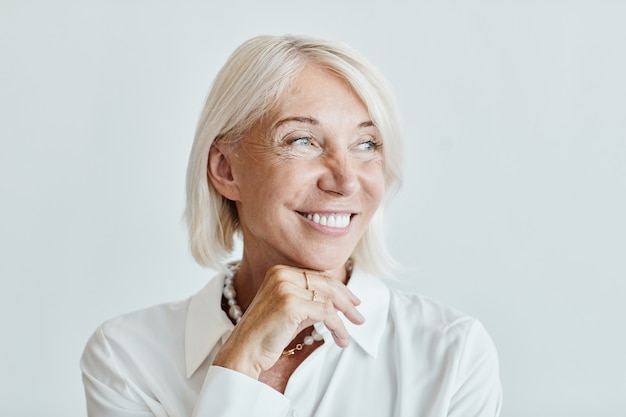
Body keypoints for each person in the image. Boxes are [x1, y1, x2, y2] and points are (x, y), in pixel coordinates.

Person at [80, 34, 502, 417]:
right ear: (226, 168)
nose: (346, 180)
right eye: (302, 140)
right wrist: (241, 368)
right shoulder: (127, 356)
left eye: (366, 144)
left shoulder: (453, 353)